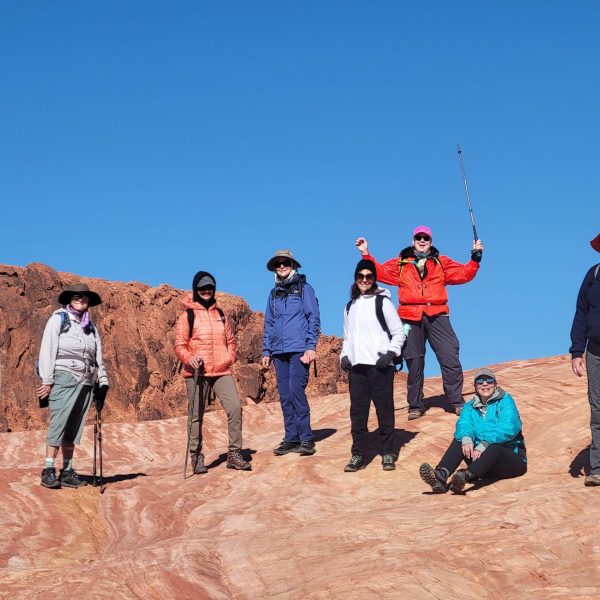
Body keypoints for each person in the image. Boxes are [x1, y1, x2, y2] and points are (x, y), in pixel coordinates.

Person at [356, 226, 483, 419]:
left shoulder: (441, 262)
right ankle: (415, 405)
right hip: (409, 316)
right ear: (413, 240)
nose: (422, 240)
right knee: (413, 360)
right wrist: (366, 253)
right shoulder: (400, 263)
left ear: (431, 241)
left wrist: (475, 259)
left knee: (449, 354)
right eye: (418, 237)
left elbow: (463, 274)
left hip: (437, 313)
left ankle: (456, 402)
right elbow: (378, 272)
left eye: (426, 238)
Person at [174, 271, 251, 473]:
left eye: (210, 287)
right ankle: (196, 456)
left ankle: (234, 453)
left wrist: (229, 357)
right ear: (196, 289)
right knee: (196, 415)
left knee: (234, 407)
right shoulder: (187, 315)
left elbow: (231, 341)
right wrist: (189, 358)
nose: (206, 291)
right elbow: (179, 345)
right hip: (196, 372)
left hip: (221, 371)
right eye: (202, 288)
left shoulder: (221, 315)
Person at [36, 283, 109, 489]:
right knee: (59, 421)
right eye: (76, 297)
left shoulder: (91, 328)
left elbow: (98, 358)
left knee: (74, 426)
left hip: (85, 381)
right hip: (64, 376)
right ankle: (48, 469)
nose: (80, 300)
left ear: (88, 303)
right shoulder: (58, 320)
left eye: (84, 298)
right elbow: (47, 351)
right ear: (70, 300)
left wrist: (103, 381)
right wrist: (47, 380)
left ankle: (67, 470)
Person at [340, 259, 406, 472]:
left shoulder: (383, 302)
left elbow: (399, 332)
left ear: (374, 279)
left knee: (384, 410)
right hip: (357, 367)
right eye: (361, 276)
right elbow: (347, 336)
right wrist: (344, 356)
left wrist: (390, 353)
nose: (365, 280)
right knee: (358, 413)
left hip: (380, 366)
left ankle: (388, 452)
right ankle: (358, 455)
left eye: (369, 276)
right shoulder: (350, 306)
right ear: (355, 279)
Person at [419, 368, 526, 494]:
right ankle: (441, 476)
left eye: (489, 380)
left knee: (494, 446)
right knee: (461, 438)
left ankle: (465, 477)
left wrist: (485, 443)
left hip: (511, 462)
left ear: (495, 384)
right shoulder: (469, 406)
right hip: (483, 463)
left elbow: (508, 426)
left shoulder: (505, 401)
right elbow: (464, 424)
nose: (484, 384)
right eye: (480, 381)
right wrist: (466, 438)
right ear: (475, 386)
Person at [262, 250, 320, 456]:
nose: (281, 266)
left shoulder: (305, 289)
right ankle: (291, 438)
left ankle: (306, 438)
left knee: (296, 390)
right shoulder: (273, 294)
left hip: (299, 350)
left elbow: (313, 317)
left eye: (285, 263)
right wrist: (266, 350)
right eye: (278, 264)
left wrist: (311, 346)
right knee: (285, 395)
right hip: (279, 352)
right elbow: (268, 323)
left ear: (292, 265)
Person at [570, 233, 600, 486]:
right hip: (595, 352)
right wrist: (576, 351)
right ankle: (598, 468)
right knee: (598, 410)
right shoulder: (593, 274)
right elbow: (581, 312)